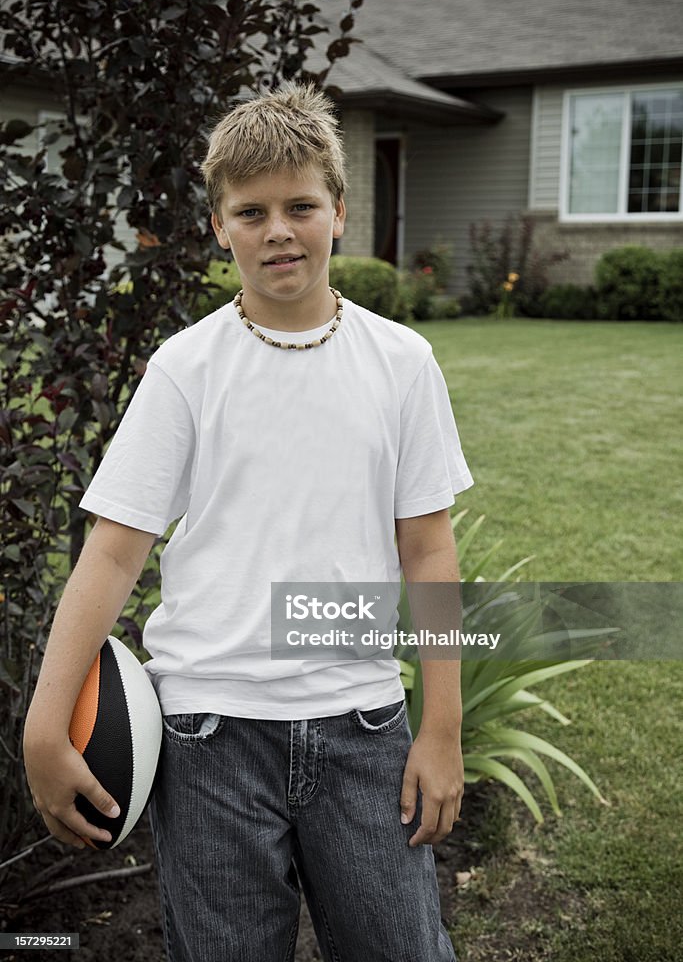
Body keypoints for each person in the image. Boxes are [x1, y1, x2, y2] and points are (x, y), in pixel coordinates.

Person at [23, 81, 475, 962]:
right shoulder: (187, 369)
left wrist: (442, 726)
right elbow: (112, 554)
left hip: (364, 728)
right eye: (251, 211)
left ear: (338, 212)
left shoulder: (401, 363)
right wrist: (45, 724)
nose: (278, 229)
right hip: (209, 739)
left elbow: (426, 546)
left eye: (300, 206)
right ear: (219, 227)